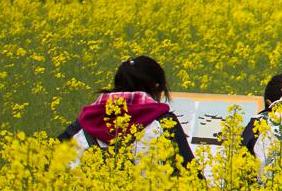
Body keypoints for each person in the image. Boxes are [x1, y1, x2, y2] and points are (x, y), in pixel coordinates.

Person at [57, 54, 194, 166]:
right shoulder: (163, 120)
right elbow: (191, 174)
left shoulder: (88, 119)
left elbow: (49, 156)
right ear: (156, 86)